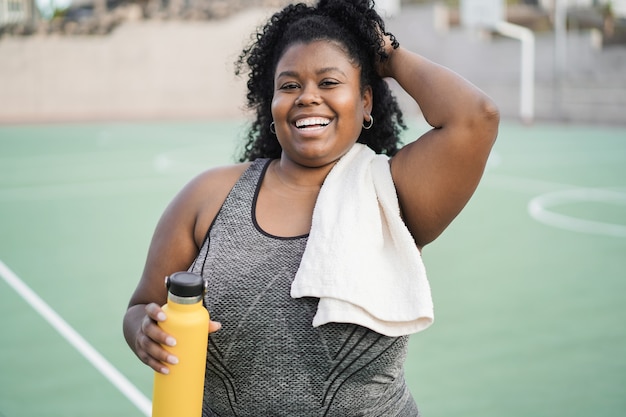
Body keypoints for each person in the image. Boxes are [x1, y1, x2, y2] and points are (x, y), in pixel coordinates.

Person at [122, 0, 499, 415]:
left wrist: (386, 54)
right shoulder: (207, 196)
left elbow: (476, 117)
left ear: (366, 100)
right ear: (271, 104)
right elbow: (142, 305)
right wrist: (143, 330)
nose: (307, 97)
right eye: (289, 86)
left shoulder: (394, 192)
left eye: (329, 82)